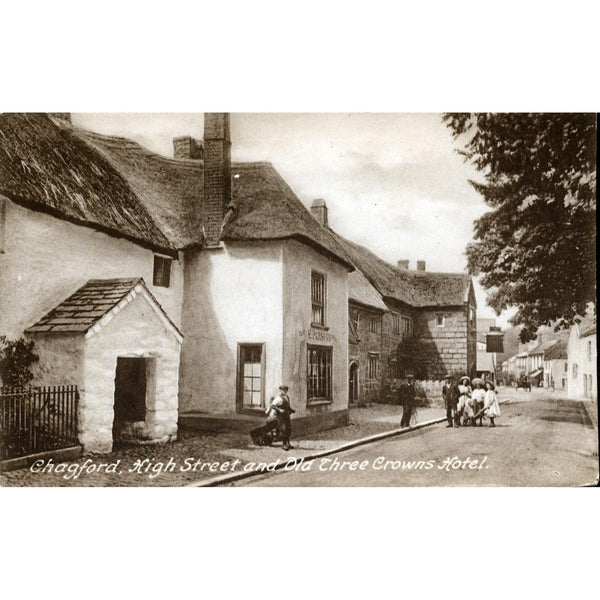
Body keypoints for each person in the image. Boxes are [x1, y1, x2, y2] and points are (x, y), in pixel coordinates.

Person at [266, 385, 295, 450]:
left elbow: (287, 406)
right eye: (283, 390)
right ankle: (284, 444)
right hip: (281, 417)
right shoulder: (278, 398)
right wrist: (279, 410)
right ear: (280, 391)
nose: (284, 391)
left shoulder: (287, 397)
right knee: (283, 429)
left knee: (288, 429)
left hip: (287, 415)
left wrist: (291, 410)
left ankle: (288, 444)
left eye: (285, 390)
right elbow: (273, 406)